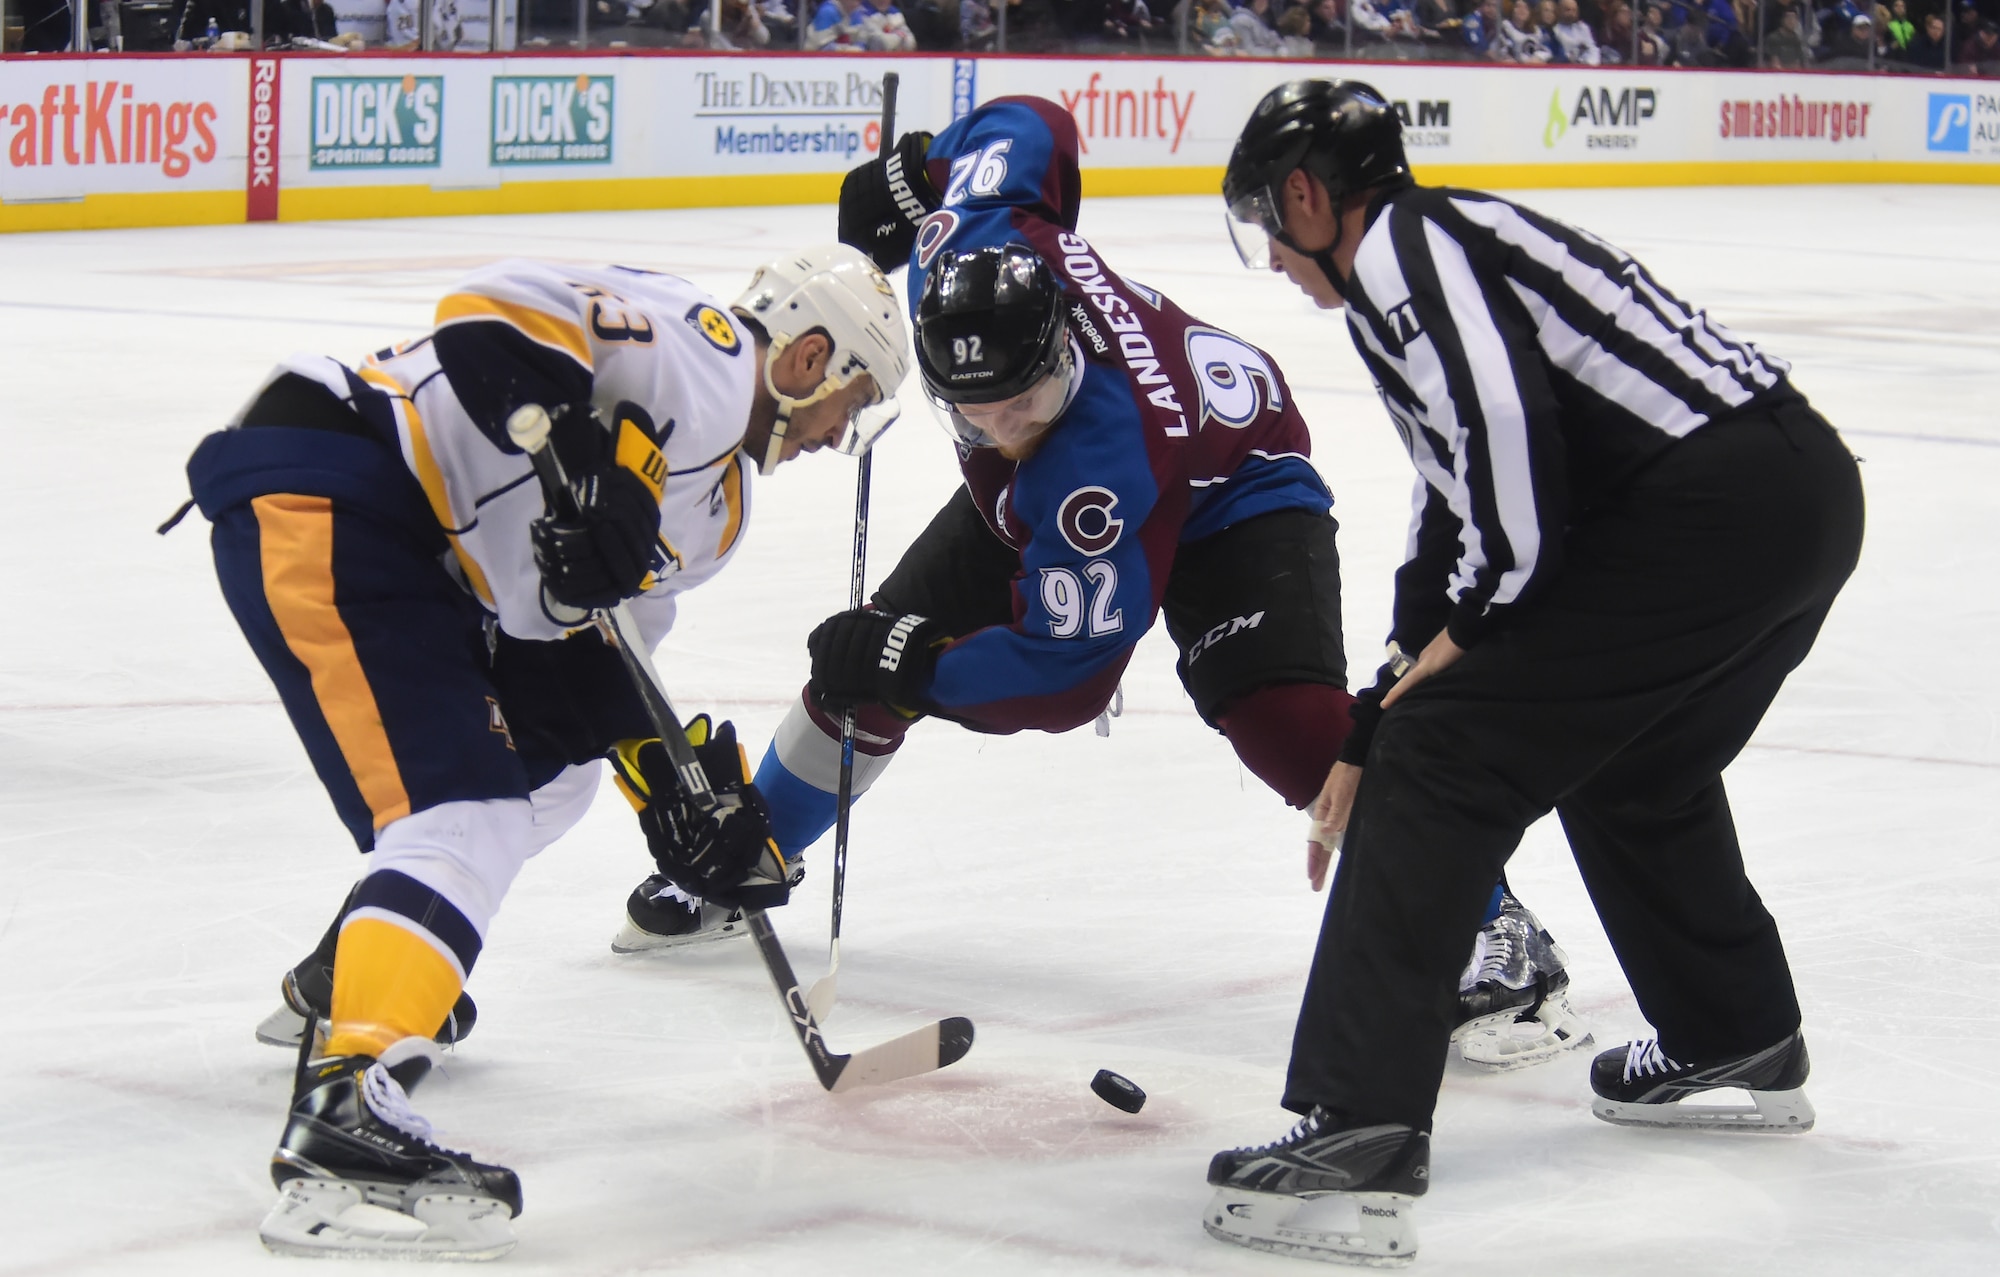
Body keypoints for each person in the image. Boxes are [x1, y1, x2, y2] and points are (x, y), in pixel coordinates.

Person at [610, 96, 1594, 1082]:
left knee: (1285, 722)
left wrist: (922, 671)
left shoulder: (1090, 464)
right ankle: (750, 850)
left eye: (1024, 401)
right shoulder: (971, 240)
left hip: (1230, 486)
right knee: (863, 654)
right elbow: (1032, 123)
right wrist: (920, 171)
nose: (1001, 428)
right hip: (1051, 487)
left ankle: (1490, 924)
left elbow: (1067, 673)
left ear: (1061, 358)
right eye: (972, 411)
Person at [1207, 79, 1863, 1265]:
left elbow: (1511, 467)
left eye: (1267, 223)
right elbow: (1443, 492)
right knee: (1635, 766)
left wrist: (1448, 661)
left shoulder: (1405, 253)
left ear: (1306, 196)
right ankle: (1733, 1031)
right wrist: (1385, 683)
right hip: (1795, 492)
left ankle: (1358, 1121)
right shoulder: (1422, 258)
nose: (1272, 257)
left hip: (1706, 509)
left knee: (1441, 754)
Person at [189, 245, 910, 1256]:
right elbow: (483, 317)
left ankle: (360, 967)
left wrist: (678, 791)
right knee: (464, 812)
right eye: (854, 399)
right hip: (335, 479)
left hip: (415, 558)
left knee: (550, 779)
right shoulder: (701, 357)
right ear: (806, 357)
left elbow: (586, 662)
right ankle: (345, 1115)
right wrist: (570, 445)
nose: (839, 436)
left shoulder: (720, 510)